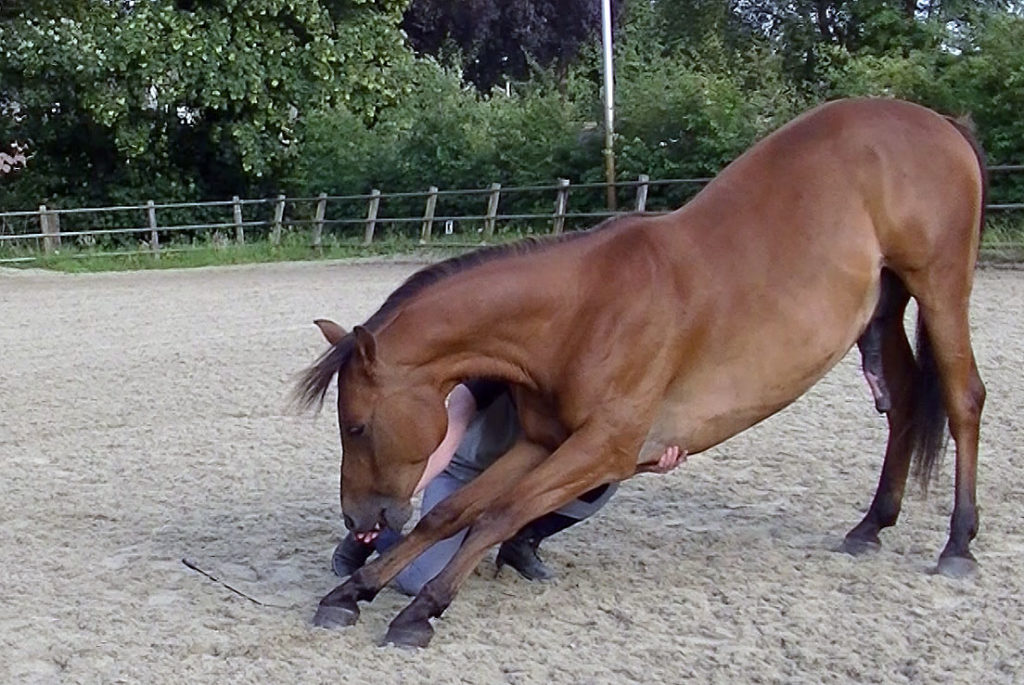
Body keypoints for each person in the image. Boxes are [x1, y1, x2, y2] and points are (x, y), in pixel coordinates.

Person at [331, 379, 685, 595]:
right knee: (418, 582)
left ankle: (521, 542)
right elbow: (447, 441)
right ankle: (382, 539)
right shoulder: (490, 377)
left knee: (601, 484)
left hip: (519, 485)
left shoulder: (585, 382)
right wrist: (390, 506)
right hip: (465, 476)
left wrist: (647, 464)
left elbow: (596, 454)